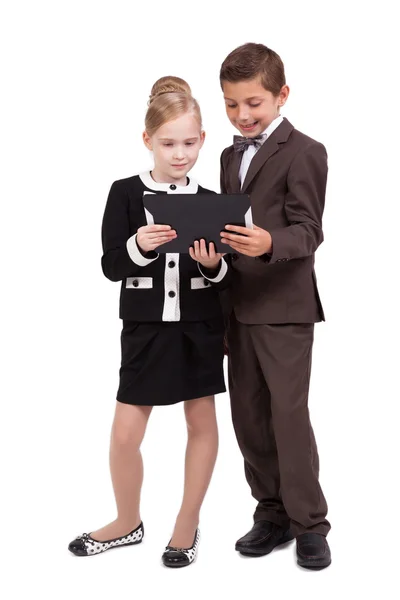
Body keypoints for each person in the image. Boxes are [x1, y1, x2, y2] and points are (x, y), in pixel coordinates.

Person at [68, 76, 230, 568]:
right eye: (168, 143)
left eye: (188, 142)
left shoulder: (214, 199)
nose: (179, 154)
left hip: (201, 327)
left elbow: (226, 275)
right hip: (144, 328)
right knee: (124, 434)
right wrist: (140, 246)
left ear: (202, 139)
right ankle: (127, 520)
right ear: (147, 140)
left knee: (201, 422)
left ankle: (187, 523)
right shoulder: (123, 193)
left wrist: (211, 264)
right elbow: (110, 265)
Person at [218, 43, 331, 569]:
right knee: (250, 419)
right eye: (231, 104)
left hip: (284, 309)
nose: (242, 116)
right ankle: (272, 513)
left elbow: (309, 230)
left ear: (282, 96)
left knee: (288, 417)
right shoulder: (226, 156)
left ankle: (310, 523)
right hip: (235, 306)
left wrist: (269, 244)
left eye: (254, 104)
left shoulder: (306, 150)